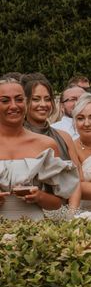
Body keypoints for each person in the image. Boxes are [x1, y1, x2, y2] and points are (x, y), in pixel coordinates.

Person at [0, 78, 79, 220]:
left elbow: (57, 203)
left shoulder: (46, 144)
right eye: (5, 101)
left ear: (26, 102)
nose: (13, 106)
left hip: (35, 233)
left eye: (19, 99)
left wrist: (39, 196)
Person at [22, 76, 82, 208]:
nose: (43, 104)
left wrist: (71, 215)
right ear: (25, 102)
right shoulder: (17, 137)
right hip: (26, 211)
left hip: (62, 213)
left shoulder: (64, 137)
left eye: (47, 99)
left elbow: (76, 182)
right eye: (36, 99)